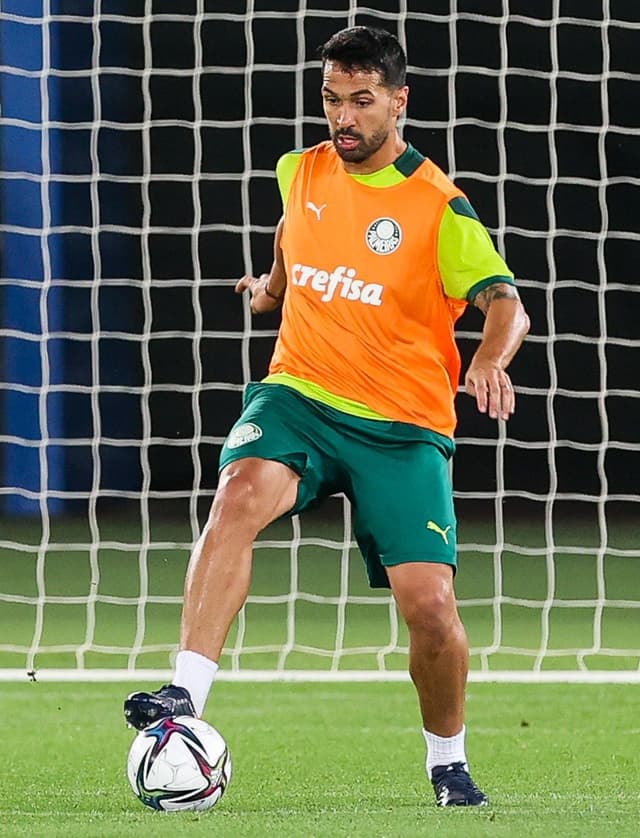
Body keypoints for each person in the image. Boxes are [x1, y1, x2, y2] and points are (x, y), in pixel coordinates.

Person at [124, 25, 530, 808]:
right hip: (300, 395)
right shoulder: (300, 168)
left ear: (398, 102)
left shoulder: (437, 206)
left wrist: (487, 359)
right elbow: (294, 227)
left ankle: (447, 762)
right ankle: (184, 695)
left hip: (402, 425)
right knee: (237, 494)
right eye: (332, 100)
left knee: (432, 610)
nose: (344, 118)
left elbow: (506, 302)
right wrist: (273, 288)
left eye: (362, 102)